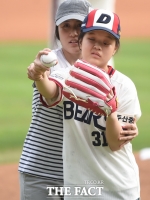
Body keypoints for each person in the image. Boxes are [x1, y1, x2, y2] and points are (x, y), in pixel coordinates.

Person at [30, 9, 141, 200]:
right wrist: (40, 75)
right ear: (81, 41)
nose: (98, 46)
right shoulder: (66, 76)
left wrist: (110, 111)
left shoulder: (124, 87)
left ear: (115, 48)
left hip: (119, 189)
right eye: (92, 39)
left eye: (106, 42)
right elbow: (50, 91)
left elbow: (115, 144)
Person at [18, 1, 92, 200]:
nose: (73, 32)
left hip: (80, 174)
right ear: (57, 30)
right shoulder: (50, 63)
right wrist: (39, 75)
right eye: (65, 26)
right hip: (42, 173)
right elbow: (50, 92)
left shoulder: (97, 68)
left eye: (79, 25)